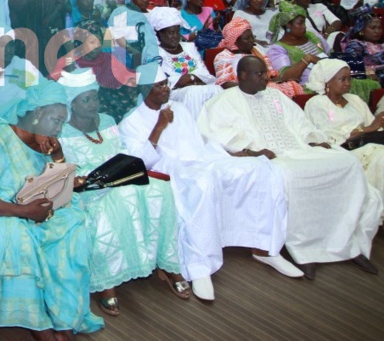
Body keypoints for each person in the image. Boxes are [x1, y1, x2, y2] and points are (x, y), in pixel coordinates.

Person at [121, 62, 300, 301]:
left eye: (166, 83)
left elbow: (199, 146)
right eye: (159, 86)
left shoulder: (180, 109)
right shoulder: (130, 120)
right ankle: (199, 266)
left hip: (202, 160)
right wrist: (159, 126)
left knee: (264, 169)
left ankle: (265, 247)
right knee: (203, 183)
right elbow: (140, 162)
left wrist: (235, 156)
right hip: (172, 171)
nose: (166, 89)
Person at [0, 78, 103, 340]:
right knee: (17, 237)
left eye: (62, 122)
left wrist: (58, 157)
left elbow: (57, 186)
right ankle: (39, 325)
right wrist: (26, 212)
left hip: (28, 207)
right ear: (37, 113)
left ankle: (63, 319)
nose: (59, 128)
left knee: (73, 226)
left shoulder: (43, 143)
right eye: (55, 120)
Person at [199, 56, 382, 280]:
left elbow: (300, 122)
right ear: (243, 76)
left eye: (266, 73)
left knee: (348, 163)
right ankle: (306, 251)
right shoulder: (223, 101)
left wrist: (313, 140)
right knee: (293, 176)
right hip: (271, 158)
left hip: (299, 149)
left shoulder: (275, 95)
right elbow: (218, 135)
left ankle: (346, 243)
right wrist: (250, 151)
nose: (266, 77)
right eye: (260, 74)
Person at [56, 68, 188, 315]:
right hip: (89, 189)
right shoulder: (61, 131)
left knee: (160, 192)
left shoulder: (107, 121)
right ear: (71, 103)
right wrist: (77, 178)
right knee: (111, 207)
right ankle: (107, 282)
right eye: (86, 99)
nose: (93, 103)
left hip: (120, 179)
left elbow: (125, 153)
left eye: (95, 97)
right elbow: (60, 170)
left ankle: (167, 263)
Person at [303, 59, 384, 239]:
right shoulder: (316, 104)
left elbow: (372, 126)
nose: (348, 83)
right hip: (344, 151)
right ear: (327, 81)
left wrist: (382, 126)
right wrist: (369, 129)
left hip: (371, 144)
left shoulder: (354, 100)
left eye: (349, 79)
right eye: (342, 79)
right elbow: (328, 137)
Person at [149, 7, 223, 119]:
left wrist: (190, 78)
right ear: (159, 34)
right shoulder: (155, 52)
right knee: (193, 93)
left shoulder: (189, 47)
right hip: (173, 92)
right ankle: (196, 132)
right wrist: (182, 80)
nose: (175, 36)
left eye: (177, 32)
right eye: (171, 33)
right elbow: (160, 81)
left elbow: (203, 71)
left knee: (217, 89)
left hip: (199, 85)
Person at [213, 17, 305, 98]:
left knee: (293, 85)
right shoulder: (223, 57)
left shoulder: (257, 49)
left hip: (265, 85)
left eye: (252, 37)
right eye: (247, 38)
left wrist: (282, 79)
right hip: (241, 92)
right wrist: (251, 86)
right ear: (235, 41)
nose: (252, 41)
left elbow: (269, 75)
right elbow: (225, 84)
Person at [340, 6, 384, 89]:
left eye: (379, 28)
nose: (377, 31)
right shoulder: (356, 44)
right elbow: (352, 66)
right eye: (373, 28)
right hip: (380, 79)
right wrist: (369, 73)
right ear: (361, 30)